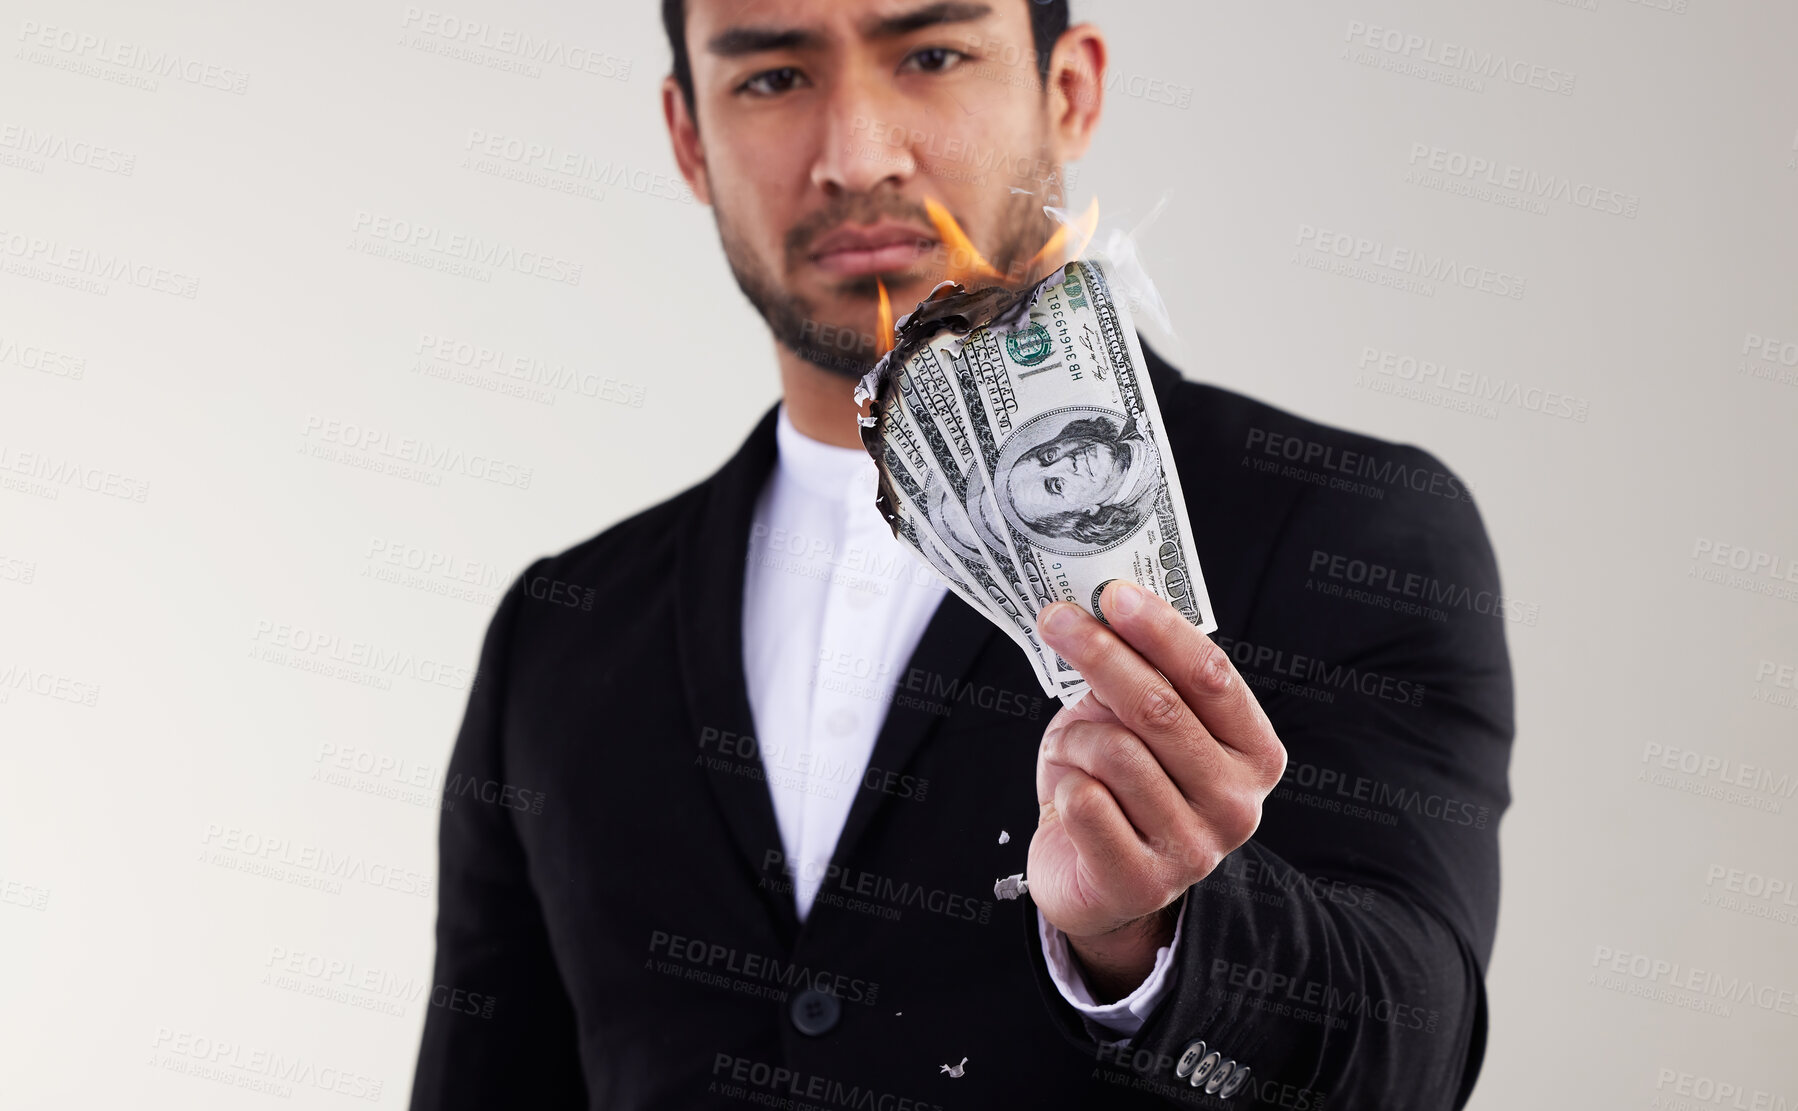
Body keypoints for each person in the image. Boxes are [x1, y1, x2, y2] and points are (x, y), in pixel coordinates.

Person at [408, 2, 1515, 1108]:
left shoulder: (1346, 525)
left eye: (930, 56)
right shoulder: (562, 628)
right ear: (689, 135)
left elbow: (1408, 1052)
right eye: (772, 79)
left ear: (1067, 90)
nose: (855, 155)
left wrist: (1156, 936)